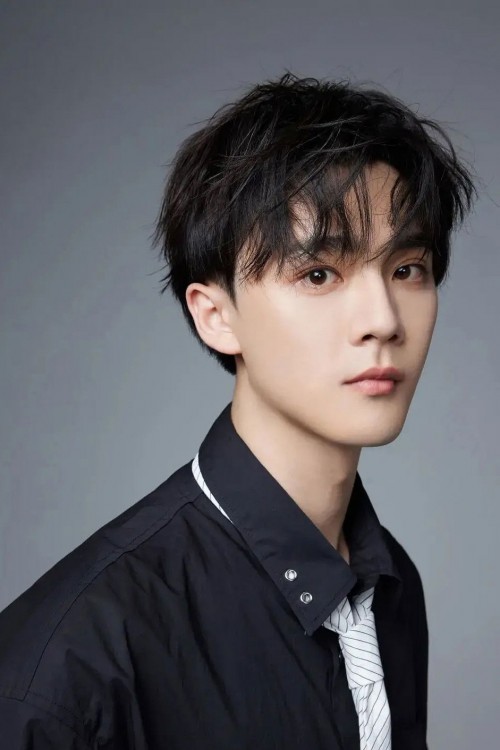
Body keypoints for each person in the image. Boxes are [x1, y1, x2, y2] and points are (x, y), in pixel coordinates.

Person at [0, 73, 476, 749]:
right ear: (216, 315)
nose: (383, 319)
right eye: (318, 274)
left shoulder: (390, 586)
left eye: (407, 269)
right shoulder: (68, 668)